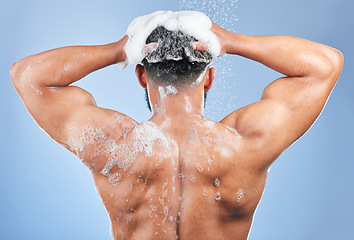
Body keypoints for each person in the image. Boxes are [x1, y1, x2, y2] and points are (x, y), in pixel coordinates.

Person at [11, 13, 343, 240]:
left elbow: (28, 76)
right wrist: (230, 42)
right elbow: (325, 66)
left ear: (142, 77)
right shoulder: (247, 142)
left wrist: (119, 50)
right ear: (209, 78)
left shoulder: (114, 145)